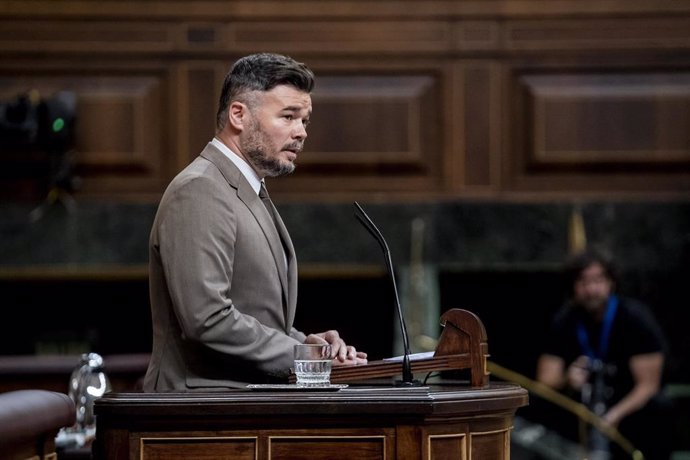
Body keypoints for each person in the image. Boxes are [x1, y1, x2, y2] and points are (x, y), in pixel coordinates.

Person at [143, 53, 367, 392]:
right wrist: (301, 356)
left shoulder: (245, 188)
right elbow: (207, 319)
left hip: (241, 406)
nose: (301, 132)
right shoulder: (200, 189)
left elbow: (253, 315)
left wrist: (309, 345)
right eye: (288, 117)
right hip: (197, 415)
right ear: (238, 115)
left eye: (304, 121)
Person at [536, 249, 673, 460]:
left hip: (628, 408)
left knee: (659, 406)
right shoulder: (565, 321)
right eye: (583, 281)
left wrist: (612, 417)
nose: (591, 289)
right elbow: (545, 381)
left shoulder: (635, 318)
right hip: (582, 408)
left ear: (611, 282)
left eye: (598, 280)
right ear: (573, 287)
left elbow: (648, 385)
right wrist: (567, 380)